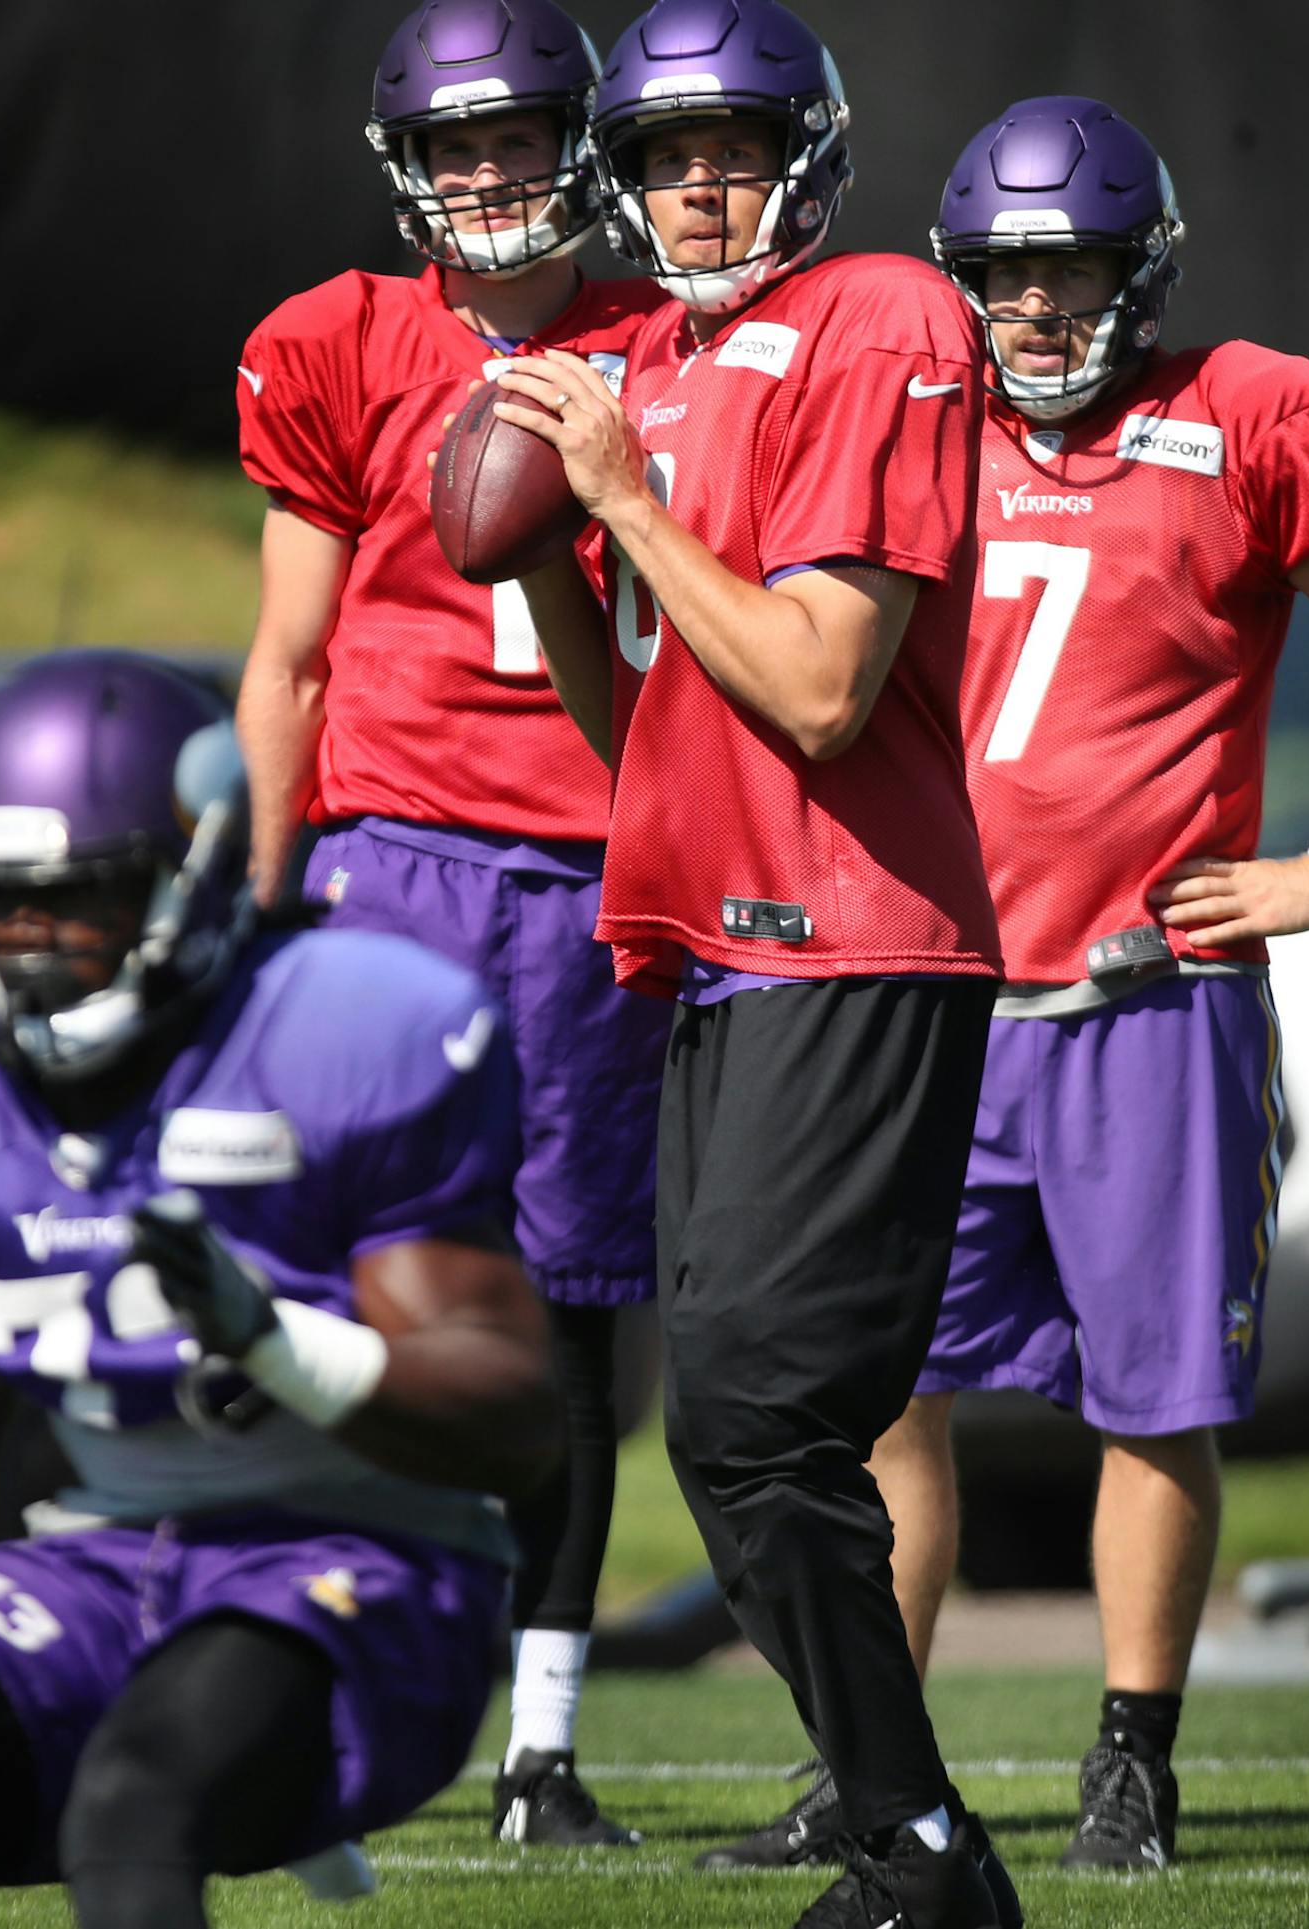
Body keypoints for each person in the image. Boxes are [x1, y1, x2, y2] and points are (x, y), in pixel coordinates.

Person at [709, 97, 1309, 1879]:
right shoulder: (907, 430)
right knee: (886, 1399)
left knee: (1154, 1392)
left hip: (1145, 996)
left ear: (1143, 271)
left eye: (1072, 272)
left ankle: (1133, 1752)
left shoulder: (1245, 413)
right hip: (931, 998)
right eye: (1007, 277)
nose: (1035, 311)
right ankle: (872, 1760)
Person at [478, 2, 1028, 1922]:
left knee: (756, 1414)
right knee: (719, 1431)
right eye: (657, 157)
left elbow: (816, 684)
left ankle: (920, 1844)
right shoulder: (656, 358)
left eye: (727, 147)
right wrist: (553, 543)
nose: (692, 187)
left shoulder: (883, 314)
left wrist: (621, 493)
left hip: (856, 932)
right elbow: (624, 719)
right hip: (719, 942)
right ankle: (910, 1839)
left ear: (807, 148)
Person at [0, 651, 562, 1929]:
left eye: (79, 902)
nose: (29, 947)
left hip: (368, 1553)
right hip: (103, 1549)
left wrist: (274, 1342)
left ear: (194, 871)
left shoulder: (341, 1033)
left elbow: (520, 1423)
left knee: (137, 1801)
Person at [234, 0, 668, 1847]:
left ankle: (542, 1743)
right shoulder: (333, 341)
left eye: (520, 141)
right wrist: (257, 906)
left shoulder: (676, 345)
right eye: (460, 147)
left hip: (591, 863)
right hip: (388, 853)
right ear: (412, 164)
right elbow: (287, 652)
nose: (490, 179)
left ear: (581, 143)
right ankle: (301, 1691)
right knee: (335, 1289)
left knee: (570, 1307)